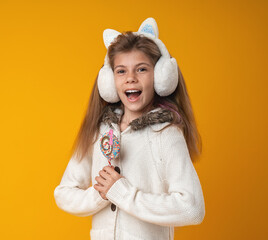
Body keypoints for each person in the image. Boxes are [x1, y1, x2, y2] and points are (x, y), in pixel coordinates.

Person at [54, 17, 205, 240]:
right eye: (121, 71)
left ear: (160, 76)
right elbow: (64, 193)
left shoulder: (166, 133)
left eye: (142, 69)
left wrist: (123, 193)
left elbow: (191, 208)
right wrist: (101, 195)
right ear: (108, 80)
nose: (130, 79)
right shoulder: (99, 131)